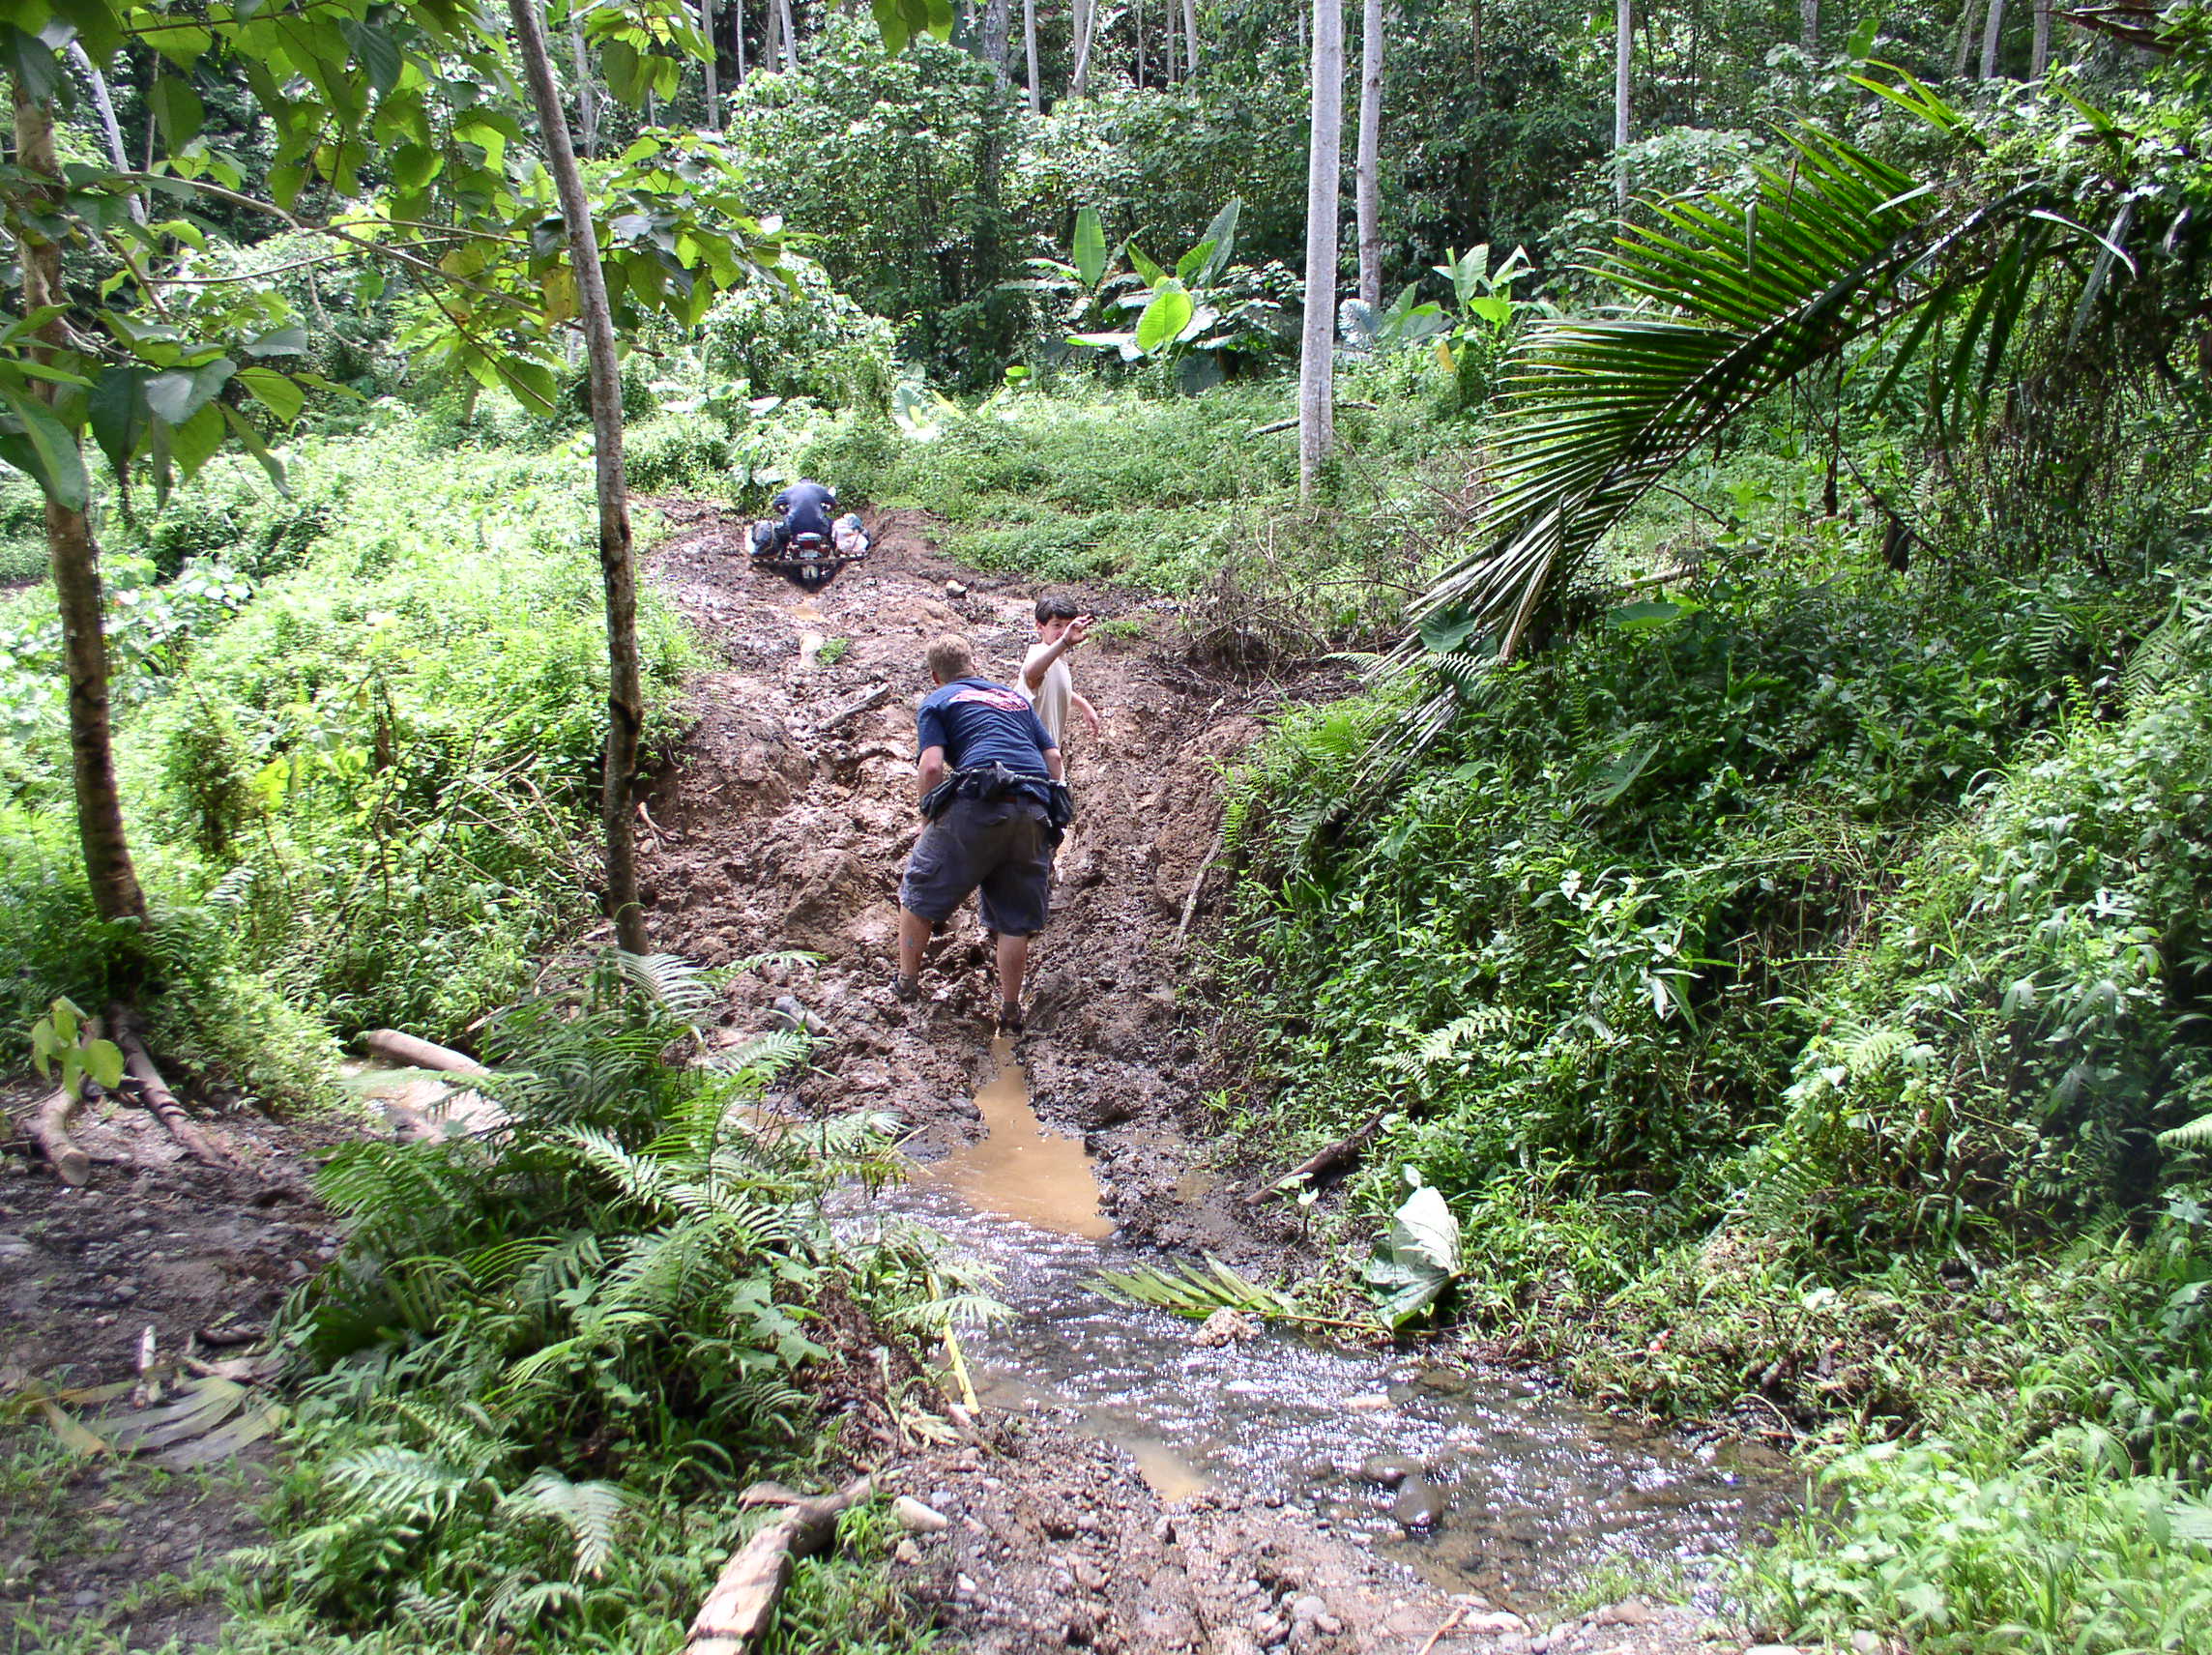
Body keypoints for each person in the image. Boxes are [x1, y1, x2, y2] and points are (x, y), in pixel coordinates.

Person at [894, 634, 1069, 1034]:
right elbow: (1053, 758)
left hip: (979, 799)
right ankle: (1010, 1010)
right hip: (1033, 805)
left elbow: (933, 768)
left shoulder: (938, 700)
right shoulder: (1014, 699)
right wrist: (1050, 819)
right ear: (973, 665)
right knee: (1013, 921)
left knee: (919, 888)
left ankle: (906, 984)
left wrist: (928, 820)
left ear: (936, 675)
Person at [1019, 594, 1103, 750]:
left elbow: (1052, 687)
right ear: (1040, 626)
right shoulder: (1039, 653)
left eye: (1069, 625)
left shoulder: (1057, 659)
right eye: (1057, 625)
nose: (1064, 632)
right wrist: (1064, 642)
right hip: (1032, 757)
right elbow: (1031, 674)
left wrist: (1083, 704)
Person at [752, 477, 837, 558]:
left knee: (782, 534)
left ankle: (782, 553)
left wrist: (783, 512)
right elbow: (834, 503)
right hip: (818, 525)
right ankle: (835, 551)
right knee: (832, 528)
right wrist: (826, 510)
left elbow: (775, 504)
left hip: (794, 526)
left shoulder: (790, 490)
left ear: (799, 482)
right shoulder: (819, 489)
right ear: (811, 482)